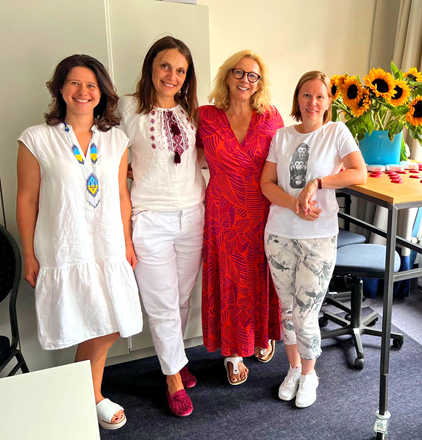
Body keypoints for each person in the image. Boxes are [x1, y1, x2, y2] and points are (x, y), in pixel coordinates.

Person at [16, 54, 143, 430]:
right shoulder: (36, 138)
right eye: (75, 83)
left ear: (101, 93)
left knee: (111, 322)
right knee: (86, 322)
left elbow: (122, 195)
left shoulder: (116, 139)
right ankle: (93, 396)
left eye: (91, 85)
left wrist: (127, 242)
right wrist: (28, 254)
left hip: (108, 246)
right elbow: (27, 199)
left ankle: (82, 393)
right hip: (64, 248)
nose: (83, 91)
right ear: (60, 88)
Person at [261, 71, 367, 408]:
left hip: (318, 237)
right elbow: (266, 184)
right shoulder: (281, 136)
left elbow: (359, 172)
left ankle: (310, 374)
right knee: (287, 310)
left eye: (320, 96)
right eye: (306, 95)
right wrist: (294, 203)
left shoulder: (336, 132)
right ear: (298, 98)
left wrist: (317, 183)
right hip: (279, 234)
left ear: (328, 102)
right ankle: (293, 369)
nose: (313, 102)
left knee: (306, 313)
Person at [116, 36, 205, 417]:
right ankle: (172, 378)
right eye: (165, 66)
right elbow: (107, 155)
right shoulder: (127, 107)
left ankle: (176, 360)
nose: (172, 76)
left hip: (193, 216)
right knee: (162, 305)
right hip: (150, 219)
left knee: (182, 300)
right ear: (151, 66)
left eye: (180, 70)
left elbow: (200, 158)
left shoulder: (192, 112)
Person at [197, 50, 283, 385]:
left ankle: (261, 335)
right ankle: (233, 354)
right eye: (239, 72)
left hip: (260, 209)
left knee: (260, 276)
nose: (245, 80)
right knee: (230, 281)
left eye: (253, 75)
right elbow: (180, 153)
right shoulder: (205, 116)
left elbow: (288, 161)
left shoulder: (271, 117)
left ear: (260, 82)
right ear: (227, 75)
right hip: (222, 212)